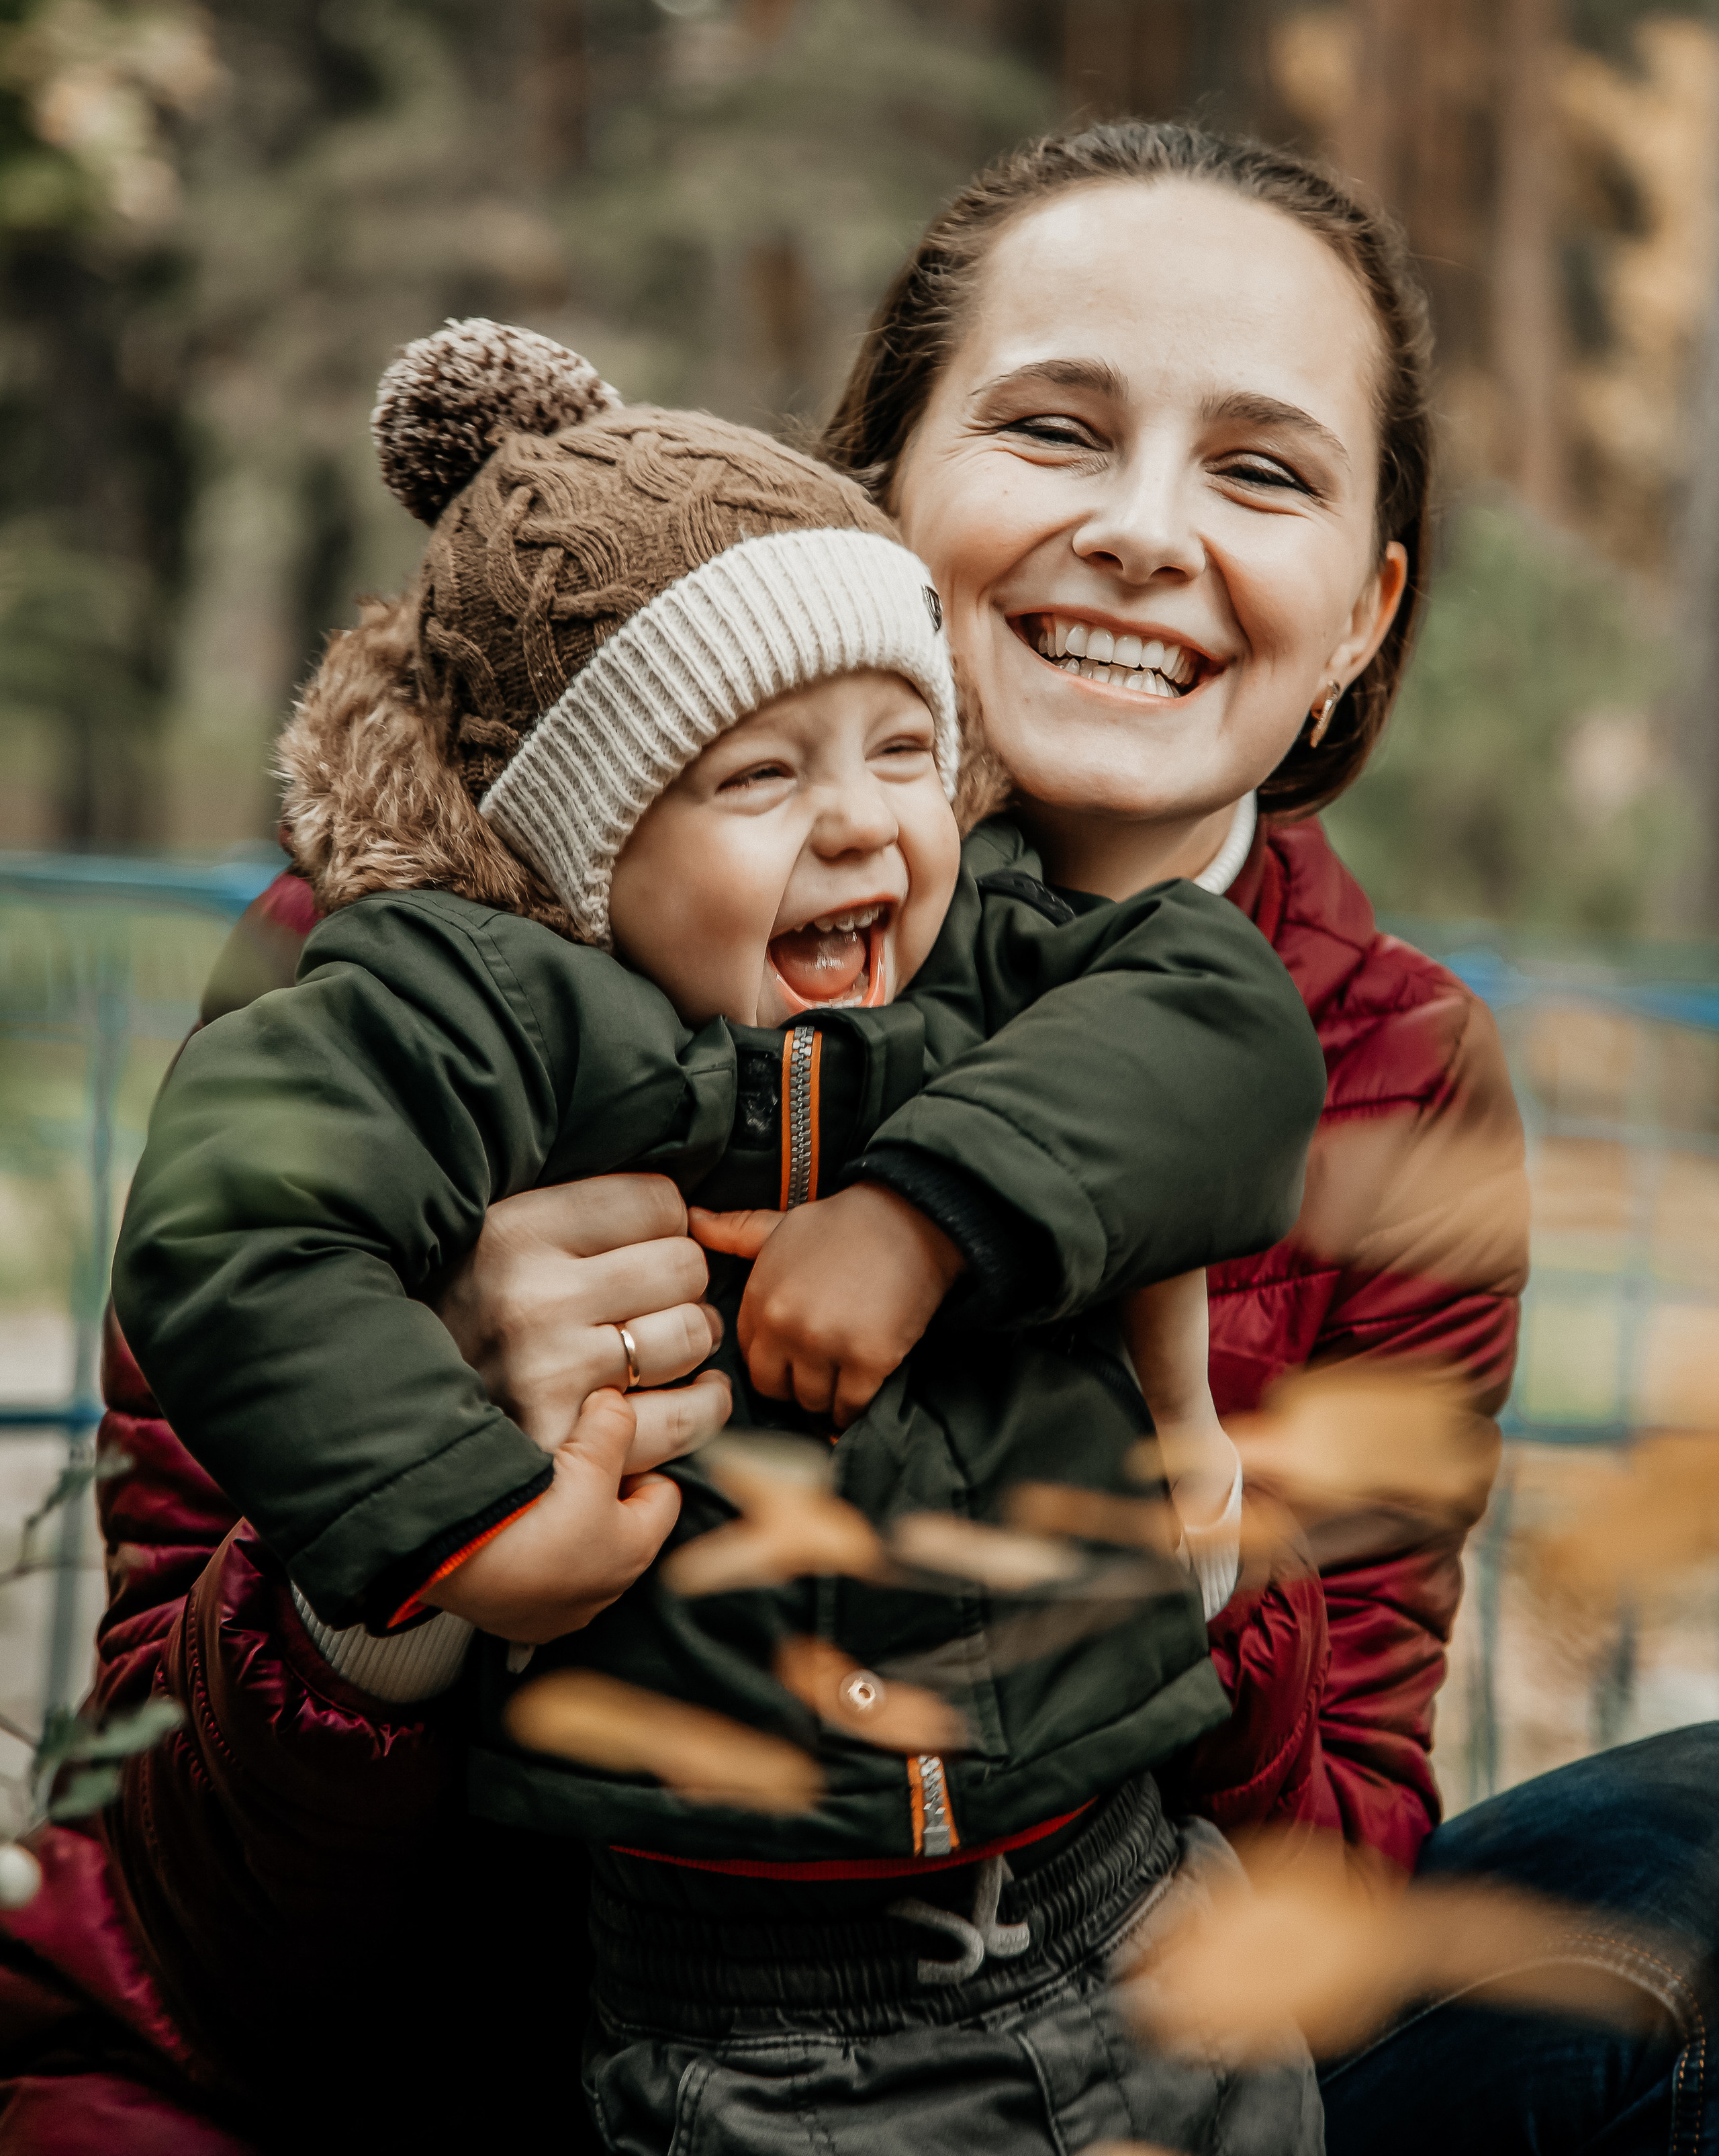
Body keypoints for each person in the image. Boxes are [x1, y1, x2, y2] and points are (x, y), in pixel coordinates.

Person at [1, 119, 1705, 2154]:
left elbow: (1332, 1862)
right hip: (496, 2047)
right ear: (870, 489)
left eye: (1261, 468)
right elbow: (184, 1895)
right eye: (1054, 428)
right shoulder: (420, 960)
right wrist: (420, 1523)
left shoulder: (1390, 1063)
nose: (1149, 532)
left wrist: (1181, 1522)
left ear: (1361, 612)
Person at [103, 314, 1326, 2149]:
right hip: (768, 2020)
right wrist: (464, 1522)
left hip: (1142, 1913)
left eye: (905, 747)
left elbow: (1221, 1026)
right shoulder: (487, 1013)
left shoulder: (997, 953)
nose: (861, 826)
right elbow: (234, 1222)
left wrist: (929, 1209)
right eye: (761, 777)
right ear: (592, 841)